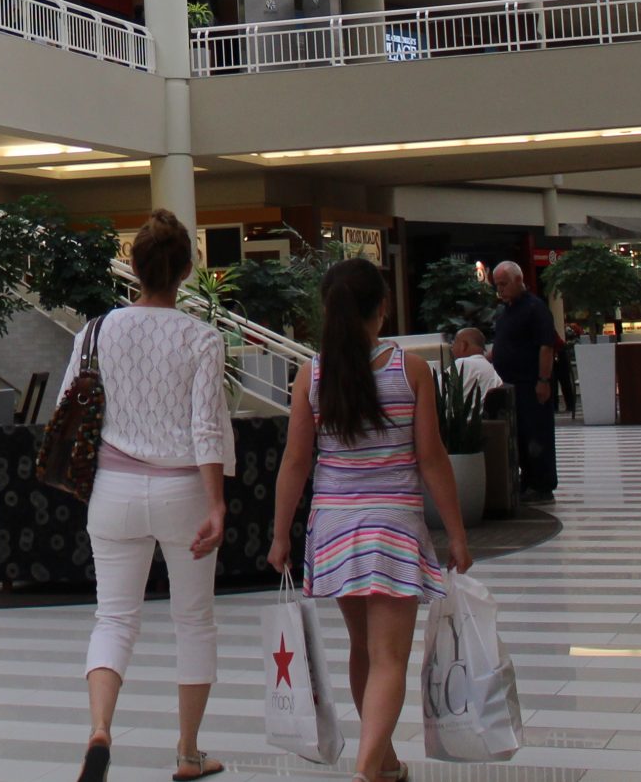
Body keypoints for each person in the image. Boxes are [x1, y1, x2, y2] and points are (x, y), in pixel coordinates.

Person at [270, 258, 471, 782]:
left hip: (333, 531)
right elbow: (431, 458)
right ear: (381, 309)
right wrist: (457, 532)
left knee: (363, 649)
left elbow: (296, 462)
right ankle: (367, 770)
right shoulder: (410, 371)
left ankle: (382, 761)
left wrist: (278, 536)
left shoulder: (310, 376)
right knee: (387, 658)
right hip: (393, 530)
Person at [66, 211, 231, 782]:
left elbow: (70, 400)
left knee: (112, 618)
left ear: (132, 267)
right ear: (186, 270)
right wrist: (217, 504)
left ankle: (100, 730)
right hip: (183, 488)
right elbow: (207, 427)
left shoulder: (96, 331)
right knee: (193, 621)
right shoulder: (201, 339)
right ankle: (187, 753)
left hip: (111, 490)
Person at [491, 260, 561, 500]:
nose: (500, 289)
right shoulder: (506, 310)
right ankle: (527, 479)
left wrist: (543, 380)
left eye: (503, 283)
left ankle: (542, 484)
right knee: (519, 434)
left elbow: (546, 346)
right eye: (497, 285)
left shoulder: (535, 308)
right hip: (510, 385)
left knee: (536, 433)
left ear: (519, 281)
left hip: (530, 383)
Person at [450, 326, 503, 408]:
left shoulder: (462, 364)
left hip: (461, 420)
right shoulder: (491, 370)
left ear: (463, 345)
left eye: (453, 344)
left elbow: (433, 390)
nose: (451, 349)